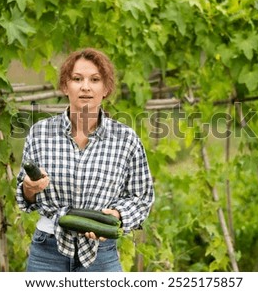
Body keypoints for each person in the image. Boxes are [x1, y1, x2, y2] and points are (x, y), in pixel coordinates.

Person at [16, 48, 155, 272]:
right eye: (77, 79)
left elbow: (142, 197)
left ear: (106, 88)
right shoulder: (40, 133)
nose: (86, 87)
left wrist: (118, 214)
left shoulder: (126, 139)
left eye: (95, 79)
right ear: (65, 85)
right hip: (47, 252)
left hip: (102, 253)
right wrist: (29, 188)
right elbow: (24, 196)